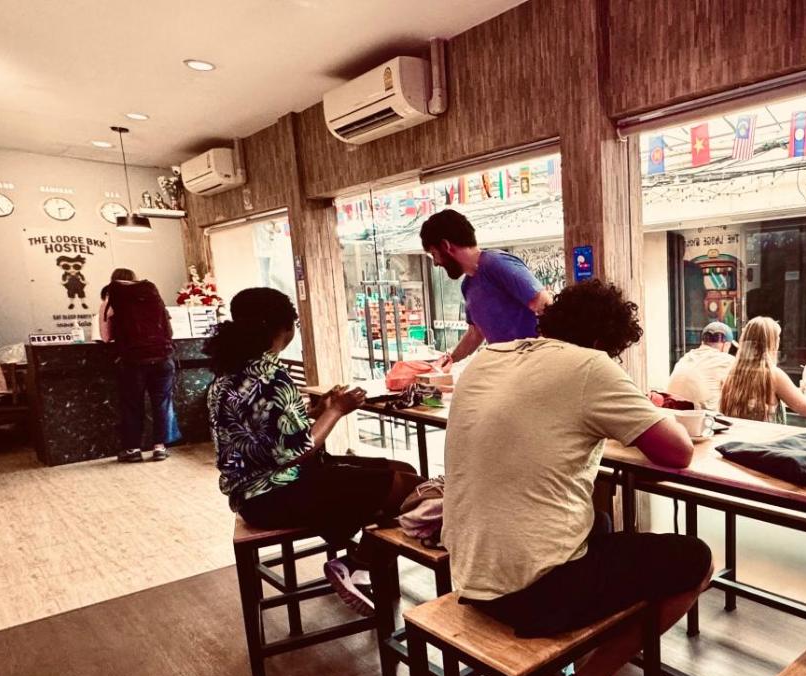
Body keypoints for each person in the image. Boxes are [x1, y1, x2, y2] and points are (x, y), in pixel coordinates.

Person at [443, 279, 712, 676]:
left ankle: (552, 670)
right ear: (604, 344)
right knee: (695, 561)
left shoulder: (489, 357)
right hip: (527, 597)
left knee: (599, 522)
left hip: (469, 573)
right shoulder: (590, 366)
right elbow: (677, 452)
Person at [206, 288, 424, 614]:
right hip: (279, 493)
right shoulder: (270, 377)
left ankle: (363, 563)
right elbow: (300, 450)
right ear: (286, 327)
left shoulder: (229, 374)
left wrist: (316, 411)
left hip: (253, 494)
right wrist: (335, 410)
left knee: (403, 472)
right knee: (408, 488)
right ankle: (357, 564)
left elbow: (268, 430)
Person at [419, 209, 553, 363]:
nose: (435, 263)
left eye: (434, 254)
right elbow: (475, 333)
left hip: (534, 365)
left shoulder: (496, 263)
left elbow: (545, 304)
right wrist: (448, 361)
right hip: (508, 367)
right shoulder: (468, 285)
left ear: (446, 246)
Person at [102, 268, 176, 462]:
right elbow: (169, 331)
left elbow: (106, 337)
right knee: (162, 403)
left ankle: (133, 450)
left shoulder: (111, 300)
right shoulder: (152, 296)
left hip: (132, 360)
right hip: (162, 358)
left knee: (132, 405)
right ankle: (160, 448)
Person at [718, 316, 806, 422]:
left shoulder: (731, 373)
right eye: (777, 339)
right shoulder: (773, 375)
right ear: (771, 344)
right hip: (765, 433)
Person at [664, 321, 736, 410]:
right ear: (726, 345)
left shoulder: (685, 357)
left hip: (672, 412)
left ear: (702, 342)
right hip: (705, 416)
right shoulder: (727, 360)